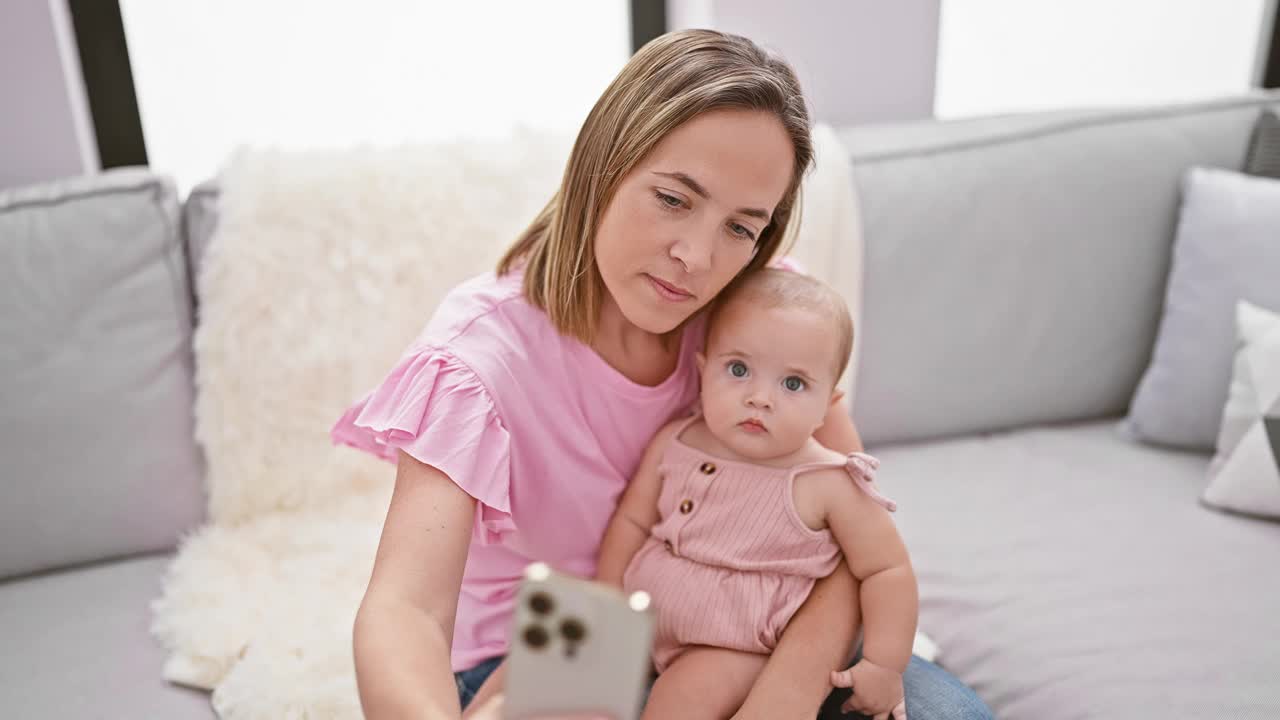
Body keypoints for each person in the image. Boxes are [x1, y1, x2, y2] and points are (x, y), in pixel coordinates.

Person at [332, 28, 993, 720]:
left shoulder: (758, 322)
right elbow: (405, 610)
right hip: (554, 641)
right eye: (674, 199)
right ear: (603, 165)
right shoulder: (477, 360)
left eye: (741, 227)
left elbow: (849, 540)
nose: (697, 257)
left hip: (754, 631)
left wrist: (789, 688)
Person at [596, 269, 914, 720]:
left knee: (678, 704)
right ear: (704, 371)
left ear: (829, 402)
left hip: (735, 646)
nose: (760, 398)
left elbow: (888, 569)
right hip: (642, 627)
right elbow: (631, 522)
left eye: (793, 384)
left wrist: (884, 665)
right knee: (546, 690)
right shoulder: (676, 440)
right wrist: (607, 603)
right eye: (739, 370)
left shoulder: (827, 481)